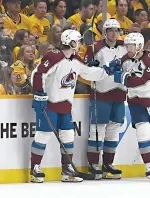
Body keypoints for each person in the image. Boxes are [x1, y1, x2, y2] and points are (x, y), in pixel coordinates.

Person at [30, 29, 117, 183]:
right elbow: (39, 73)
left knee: (68, 136)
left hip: (65, 105)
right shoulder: (54, 56)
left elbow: (89, 73)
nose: (79, 44)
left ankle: (67, 170)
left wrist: (107, 70)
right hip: (49, 103)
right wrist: (39, 93)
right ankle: (35, 168)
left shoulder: (76, 59)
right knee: (43, 135)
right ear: (71, 42)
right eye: (78, 41)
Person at [114, 33, 150, 181]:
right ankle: (149, 165)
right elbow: (114, 70)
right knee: (143, 132)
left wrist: (125, 79)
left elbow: (144, 80)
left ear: (140, 46)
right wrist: (108, 68)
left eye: (131, 46)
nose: (128, 49)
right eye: (127, 46)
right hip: (136, 100)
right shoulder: (124, 60)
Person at [84, 18, 127, 180]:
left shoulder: (125, 47)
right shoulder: (95, 47)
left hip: (119, 93)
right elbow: (85, 70)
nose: (113, 33)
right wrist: (92, 67)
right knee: (97, 129)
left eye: (116, 30)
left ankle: (108, 164)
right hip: (101, 93)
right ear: (105, 32)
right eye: (110, 30)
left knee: (113, 130)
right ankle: (94, 164)